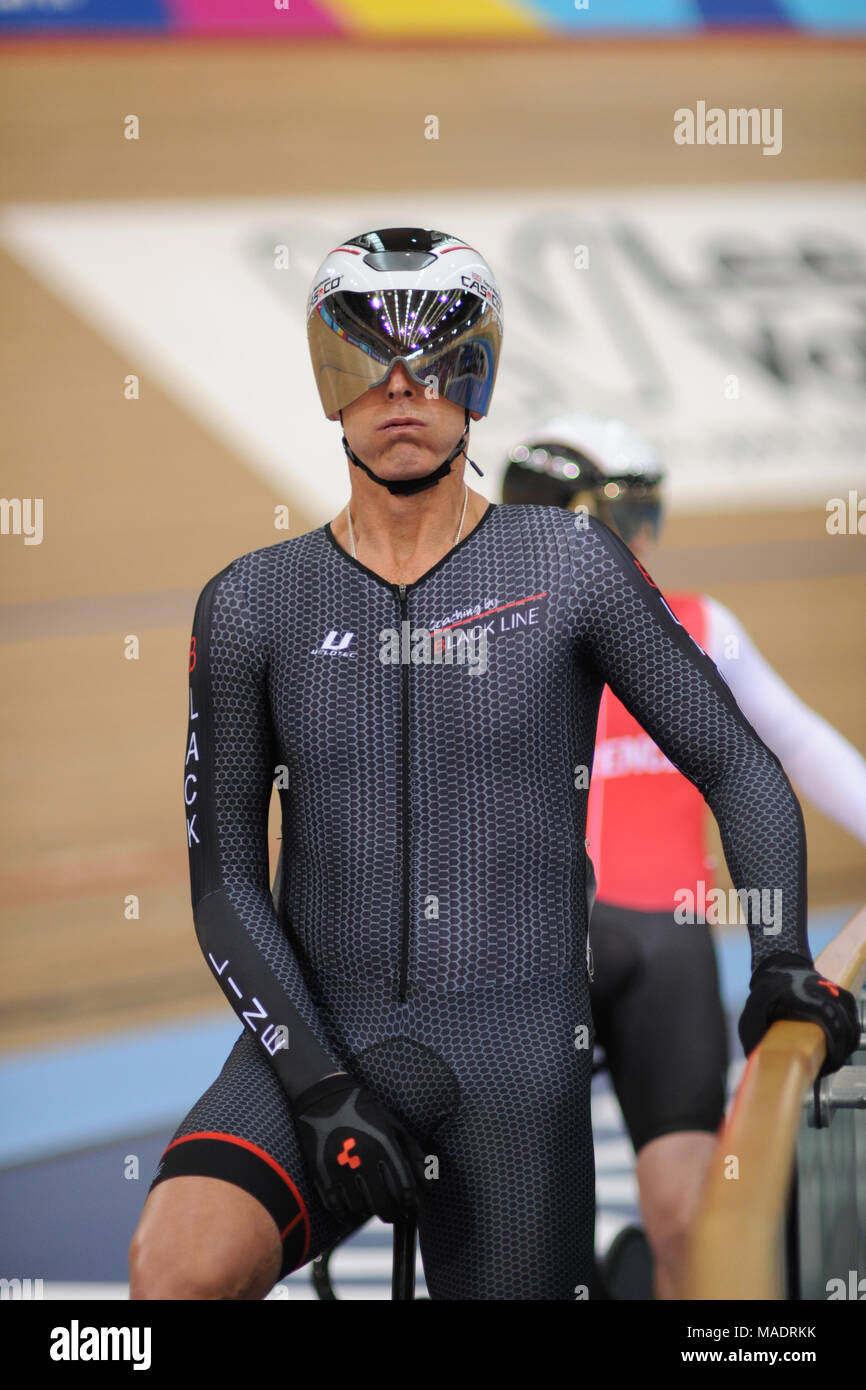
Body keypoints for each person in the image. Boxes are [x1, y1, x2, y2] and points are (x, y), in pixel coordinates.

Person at [128, 227, 860, 1301]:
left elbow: (737, 763)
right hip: (316, 1039)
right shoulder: (249, 603)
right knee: (173, 1271)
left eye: (436, 360)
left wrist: (779, 960)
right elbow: (225, 881)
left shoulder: (568, 566)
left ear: (478, 379)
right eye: (367, 360)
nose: (400, 390)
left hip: (513, 1063)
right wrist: (317, 1080)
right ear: (328, 383)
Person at [503, 415, 866, 1298]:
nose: (641, 544)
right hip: (532, 952)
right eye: (627, 521)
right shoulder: (488, 632)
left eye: (647, 521)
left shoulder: (697, 624)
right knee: (514, 1235)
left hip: (662, 946)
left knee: (693, 1222)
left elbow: (803, 748)